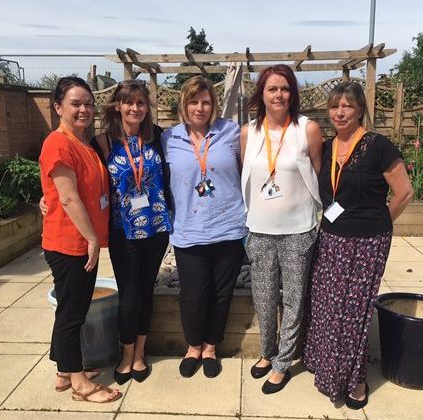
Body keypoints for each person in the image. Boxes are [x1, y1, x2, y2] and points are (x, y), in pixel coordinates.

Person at [302, 81, 413, 409]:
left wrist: (380, 223)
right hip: (331, 238)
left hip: (366, 243)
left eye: (347, 106)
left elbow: (404, 192)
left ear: (360, 110)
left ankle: (356, 380)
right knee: (327, 307)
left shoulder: (377, 145)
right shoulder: (329, 146)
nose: (339, 112)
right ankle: (328, 369)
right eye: (335, 106)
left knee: (353, 313)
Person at [240, 64, 323, 394]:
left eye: (285, 88)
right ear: (262, 93)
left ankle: (283, 361)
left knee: (293, 297)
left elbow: (316, 173)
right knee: (262, 296)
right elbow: (245, 172)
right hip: (259, 229)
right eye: (272, 89)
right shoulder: (249, 132)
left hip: (298, 230)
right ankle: (267, 351)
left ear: (293, 93)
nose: (279, 95)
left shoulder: (308, 129)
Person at [40, 76, 121, 403]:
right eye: (76, 104)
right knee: (73, 313)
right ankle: (79, 384)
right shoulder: (58, 143)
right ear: (59, 107)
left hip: (79, 240)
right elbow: (69, 198)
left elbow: (59, 192)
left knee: (70, 309)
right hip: (70, 242)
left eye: (88, 103)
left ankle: (63, 372)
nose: (84, 109)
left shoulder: (81, 143)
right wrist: (90, 238)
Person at [161, 75, 246, 379]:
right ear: (184, 104)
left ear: (214, 105)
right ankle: (192, 346)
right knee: (193, 294)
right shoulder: (168, 139)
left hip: (229, 227)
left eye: (206, 101)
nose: (200, 107)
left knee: (221, 294)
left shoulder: (232, 132)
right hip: (188, 229)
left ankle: (210, 347)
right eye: (194, 101)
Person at [91, 80, 171, 384]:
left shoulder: (159, 138)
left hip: (156, 228)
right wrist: (49, 198)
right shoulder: (102, 143)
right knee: (129, 292)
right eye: (129, 103)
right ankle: (126, 354)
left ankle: (140, 353)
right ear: (117, 106)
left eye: (140, 103)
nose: (135, 108)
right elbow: (82, 177)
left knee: (145, 289)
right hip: (122, 231)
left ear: (147, 108)